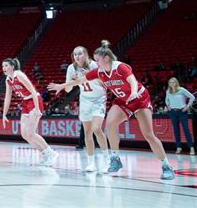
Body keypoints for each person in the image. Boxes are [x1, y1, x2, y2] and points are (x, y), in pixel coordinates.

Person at [48, 40, 175, 180]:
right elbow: (79, 81)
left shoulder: (119, 67)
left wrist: (133, 92)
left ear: (106, 58)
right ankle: (115, 159)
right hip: (123, 101)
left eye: (97, 60)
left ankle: (166, 166)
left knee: (148, 135)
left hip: (139, 99)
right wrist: (61, 86)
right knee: (110, 123)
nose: (95, 63)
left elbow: (132, 80)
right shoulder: (100, 71)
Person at [2, 58, 58, 167]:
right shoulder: (8, 80)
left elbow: (33, 90)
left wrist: (37, 108)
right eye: (3, 66)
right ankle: (45, 154)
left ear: (12, 67)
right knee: (25, 134)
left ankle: (51, 153)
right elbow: (8, 97)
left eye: (6, 66)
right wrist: (4, 113)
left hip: (34, 100)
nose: (4, 68)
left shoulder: (19, 75)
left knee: (31, 133)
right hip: (25, 103)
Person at [64, 46, 109, 172]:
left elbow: (104, 81)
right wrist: (72, 80)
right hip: (85, 101)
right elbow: (67, 89)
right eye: (75, 54)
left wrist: (89, 75)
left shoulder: (94, 65)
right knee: (88, 132)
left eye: (80, 54)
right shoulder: (71, 68)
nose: (77, 57)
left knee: (97, 129)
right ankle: (91, 163)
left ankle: (107, 160)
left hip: (98, 99)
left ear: (85, 55)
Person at [165, 77, 195, 155]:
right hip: (173, 112)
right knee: (176, 130)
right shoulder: (168, 91)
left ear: (176, 82)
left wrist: (187, 106)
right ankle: (178, 147)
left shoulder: (182, 90)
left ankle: (191, 147)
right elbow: (166, 100)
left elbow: (192, 97)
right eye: (170, 82)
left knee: (186, 129)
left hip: (182, 112)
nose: (172, 84)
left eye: (173, 82)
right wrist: (168, 106)